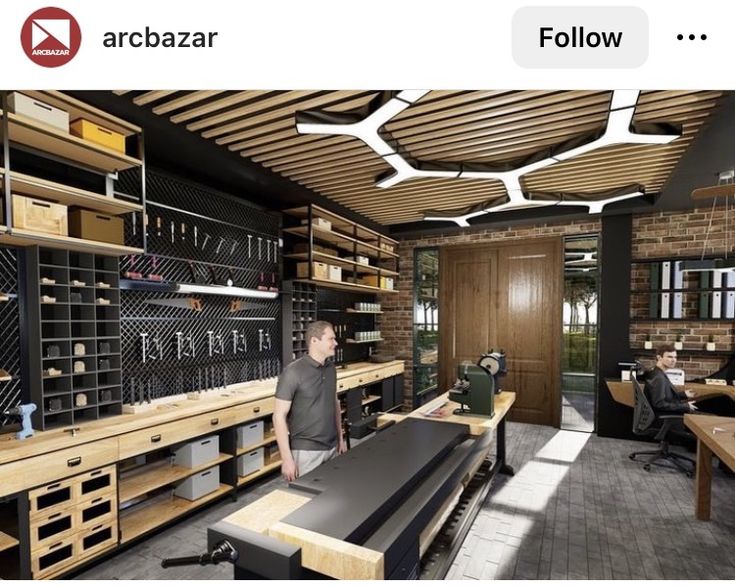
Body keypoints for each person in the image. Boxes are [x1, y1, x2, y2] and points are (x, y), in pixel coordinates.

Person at [273, 320, 346, 481]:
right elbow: (278, 416)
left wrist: (340, 438)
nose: (335, 342)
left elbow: (334, 404)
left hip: (332, 447)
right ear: (314, 341)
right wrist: (286, 459)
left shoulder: (331, 368)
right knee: (307, 501)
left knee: (333, 497)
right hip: (306, 452)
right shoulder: (293, 372)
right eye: (331, 339)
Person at [646, 343, 697, 414]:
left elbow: (667, 396)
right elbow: (659, 404)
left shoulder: (659, 373)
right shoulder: (658, 378)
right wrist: (685, 406)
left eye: (675, 357)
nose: (673, 360)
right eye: (670, 357)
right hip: (665, 416)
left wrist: (684, 394)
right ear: (659, 358)